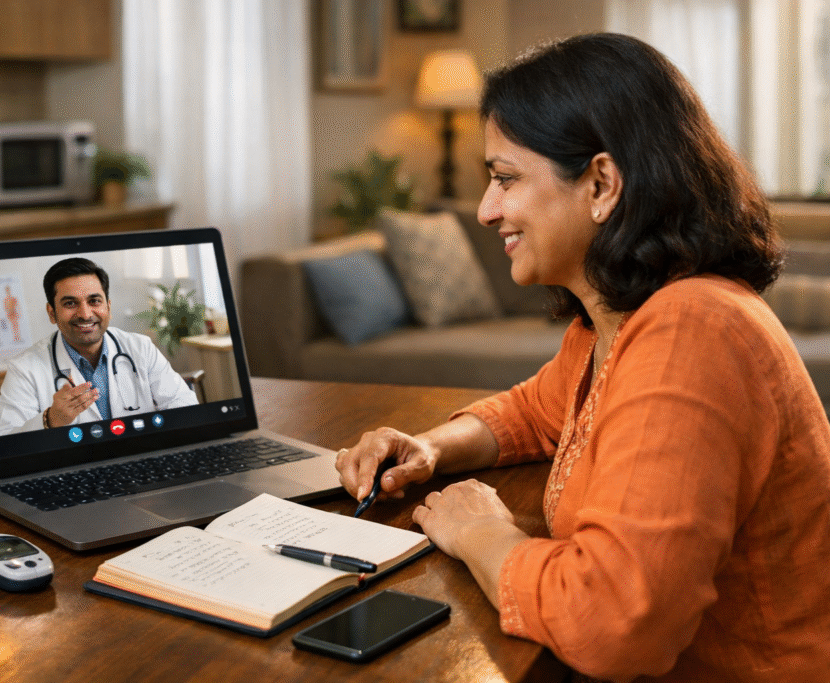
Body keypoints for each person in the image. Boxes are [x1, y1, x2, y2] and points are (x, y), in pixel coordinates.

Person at [336, 33, 830, 681]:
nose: (487, 210)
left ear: (601, 183)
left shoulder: (693, 332)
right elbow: (534, 411)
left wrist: (484, 531)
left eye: (506, 178)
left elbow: (613, 626)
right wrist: (431, 446)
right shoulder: (619, 321)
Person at [0, 257, 198, 437]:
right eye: (70, 303)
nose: (86, 314)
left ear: (108, 306)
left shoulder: (140, 348)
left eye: (94, 301)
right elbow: (0, 441)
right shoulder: (25, 368)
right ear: (52, 313)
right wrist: (51, 420)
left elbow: (185, 408)